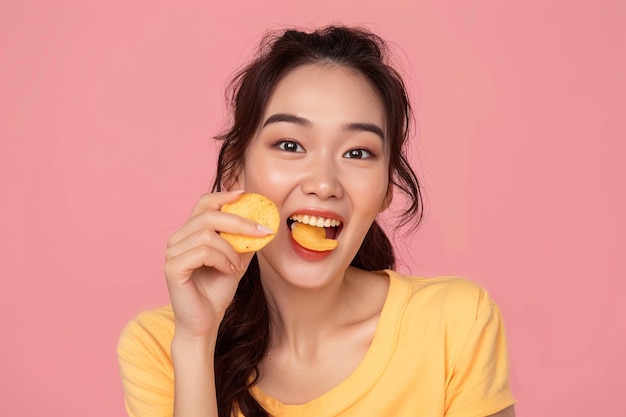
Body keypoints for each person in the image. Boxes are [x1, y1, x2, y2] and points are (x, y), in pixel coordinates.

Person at [117, 25, 516, 417]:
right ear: (235, 172)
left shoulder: (455, 323)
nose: (324, 184)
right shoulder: (161, 345)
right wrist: (196, 342)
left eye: (358, 153)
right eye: (290, 145)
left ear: (386, 190)